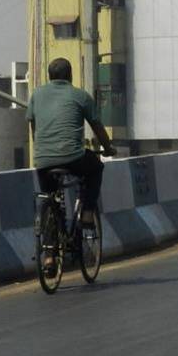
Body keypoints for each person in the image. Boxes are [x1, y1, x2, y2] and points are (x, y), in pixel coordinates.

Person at [27, 58, 116, 228]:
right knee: (96, 168)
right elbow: (97, 126)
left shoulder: (36, 95)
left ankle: (48, 254)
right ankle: (88, 213)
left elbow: (34, 127)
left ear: (49, 76)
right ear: (70, 75)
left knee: (50, 198)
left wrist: (41, 150)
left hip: (43, 159)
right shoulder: (80, 96)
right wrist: (108, 148)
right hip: (73, 157)